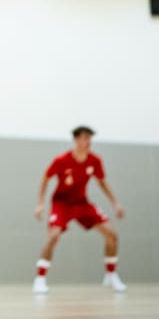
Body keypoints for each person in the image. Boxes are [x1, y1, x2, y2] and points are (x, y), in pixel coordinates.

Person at [33, 125, 127, 294]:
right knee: (53, 237)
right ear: (76, 139)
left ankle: (111, 275)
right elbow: (45, 179)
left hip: (82, 203)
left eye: (90, 138)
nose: (88, 141)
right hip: (62, 203)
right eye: (84, 138)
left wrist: (115, 203)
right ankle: (40, 279)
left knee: (112, 235)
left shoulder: (94, 160)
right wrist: (40, 204)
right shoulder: (61, 160)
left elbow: (102, 183)